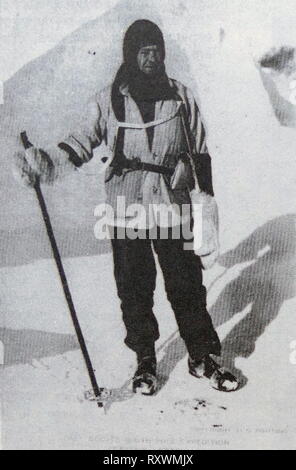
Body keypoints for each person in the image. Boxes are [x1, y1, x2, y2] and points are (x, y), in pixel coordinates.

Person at [14, 19, 239, 395]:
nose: (151, 58)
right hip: (126, 205)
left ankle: (203, 355)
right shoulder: (109, 99)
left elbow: (199, 150)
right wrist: (45, 162)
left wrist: (206, 200)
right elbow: (80, 143)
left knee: (185, 283)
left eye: (156, 51)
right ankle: (146, 361)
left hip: (172, 203)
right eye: (144, 51)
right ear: (131, 54)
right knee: (134, 287)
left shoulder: (180, 97)